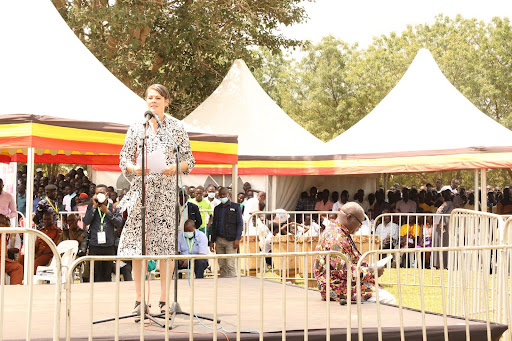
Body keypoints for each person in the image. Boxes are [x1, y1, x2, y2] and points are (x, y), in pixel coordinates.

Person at [117, 84, 195, 314]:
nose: (153, 101)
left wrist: (174, 167)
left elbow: (189, 161)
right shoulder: (136, 128)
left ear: (166, 101)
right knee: (136, 247)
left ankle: (163, 300)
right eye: (150, 98)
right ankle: (140, 301)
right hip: (142, 193)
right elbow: (123, 159)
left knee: (164, 247)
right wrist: (133, 167)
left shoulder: (176, 127)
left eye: (158, 98)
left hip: (166, 194)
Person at [314, 202, 395, 304]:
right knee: (389, 300)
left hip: (341, 285)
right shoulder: (336, 238)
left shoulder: (337, 232)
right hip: (338, 288)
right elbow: (345, 272)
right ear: (349, 217)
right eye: (359, 222)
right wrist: (372, 271)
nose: (360, 226)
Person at [83, 184, 122, 282]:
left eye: (101, 193)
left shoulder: (114, 207)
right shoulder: (91, 206)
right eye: (97, 193)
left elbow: (119, 223)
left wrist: (107, 212)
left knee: (107, 274)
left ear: (107, 194)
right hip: (95, 244)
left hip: (108, 244)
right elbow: (86, 221)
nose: (99, 195)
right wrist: (94, 208)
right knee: (96, 275)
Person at [210, 187, 243, 277]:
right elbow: (214, 225)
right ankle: (223, 284)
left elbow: (240, 223)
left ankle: (232, 284)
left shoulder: (236, 207)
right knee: (222, 265)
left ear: (228, 195)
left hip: (231, 241)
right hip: (219, 240)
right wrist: (212, 241)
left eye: (224, 195)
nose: (222, 197)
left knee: (230, 264)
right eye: (220, 195)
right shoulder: (217, 209)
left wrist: (237, 239)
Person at [432, 189, 455, 269]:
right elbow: (439, 212)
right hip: (442, 227)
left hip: (446, 227)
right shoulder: (446, 203)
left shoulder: (450, 203)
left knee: (445, 244)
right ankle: (439, 264)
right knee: (441, 244)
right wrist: (441, 223)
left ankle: (444, 264)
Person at [0, 214, 23, 284]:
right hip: (2, 260)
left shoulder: (11, 234)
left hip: (4, 259)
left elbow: (17, 249)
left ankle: (14, 292)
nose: (8, 226)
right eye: (5, 224)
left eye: (8, 224)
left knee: (17, 267)